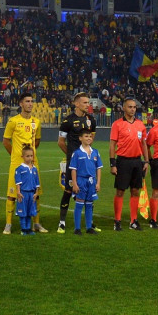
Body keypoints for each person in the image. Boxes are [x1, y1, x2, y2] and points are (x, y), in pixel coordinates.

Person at [2, 93, 46, 234]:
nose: (30, 104)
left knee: (35, 193)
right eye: (27, 101)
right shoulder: (13, 121)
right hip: (17, 163)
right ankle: (8, 224)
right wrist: (17, 155)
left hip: (33, 163)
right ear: (21, 103)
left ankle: (36, 224)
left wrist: (29, 156)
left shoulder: (36, 122)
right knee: (12, 194)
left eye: (31, 101)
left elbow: (37, 141)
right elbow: (6, 141)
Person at [57, 92, 98, 234]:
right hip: (74, 164)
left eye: (89, 102)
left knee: (89, 192)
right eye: (85, 102)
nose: (88, 105)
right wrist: (72, 156)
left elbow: (91, 139)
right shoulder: (67, 121)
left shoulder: (91, 120)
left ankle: (89, 223)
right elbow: (61, 142)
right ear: (77, 103)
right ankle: (62, 222)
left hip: (87, 164)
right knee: (69, 191)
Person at [110, 98, 149, 231]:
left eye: (134, 107)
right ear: (124, 108)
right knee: (120, 191)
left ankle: (133, 220)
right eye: (130, 107)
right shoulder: (117, 124)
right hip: (123, 161)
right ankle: (117, 221)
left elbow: (144, 144)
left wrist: (146, 161)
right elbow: (112, 144)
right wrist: (112, 163)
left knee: (135, 191)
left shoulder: (140, 125)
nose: (132, 109)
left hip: (137, 161)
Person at [69, 130, 103, 235]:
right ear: (80, 138)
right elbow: (73, 169)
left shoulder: (95, 152)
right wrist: (74, 183)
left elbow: (99, 168)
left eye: (90, 136)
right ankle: (77, 228)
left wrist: (98, 183)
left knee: (89, 204)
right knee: (79, 204)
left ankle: (89, 228)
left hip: (92, 182)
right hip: (81, 181)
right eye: (86, 136)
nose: (89, 138)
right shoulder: (77, 153)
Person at [15, 145, 40, 236]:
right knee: (23, 212)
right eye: (27, 156)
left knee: (30, 212)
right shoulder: (19, 169)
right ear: (23, 157)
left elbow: (37, 182)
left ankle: (28, 228)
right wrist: (18, 192)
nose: (30, 158)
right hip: (23, 193)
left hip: (32, 194)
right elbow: (18, 182)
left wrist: (36, 192)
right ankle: (23, 229)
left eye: (31, 156)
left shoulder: (34, 169)